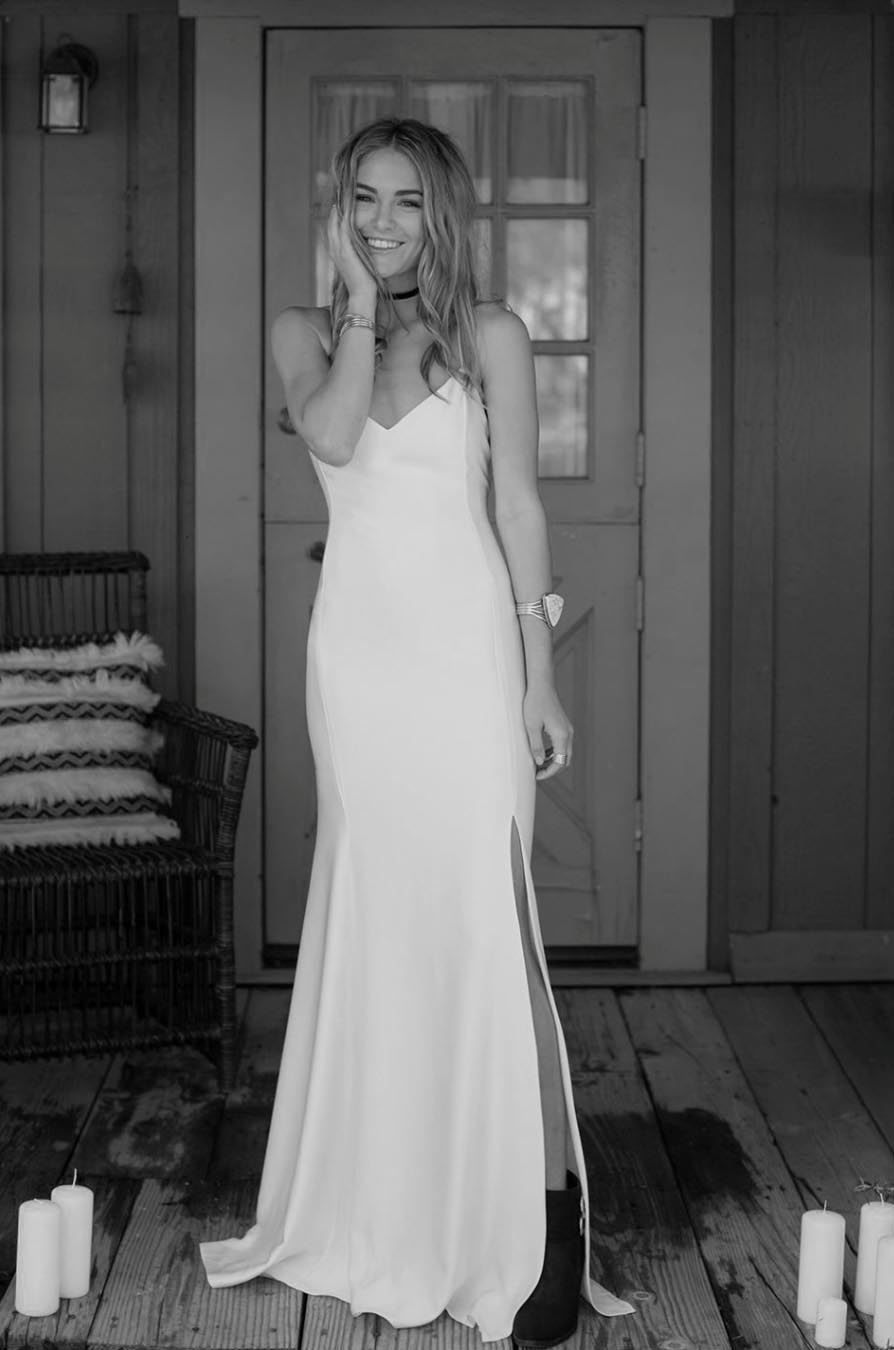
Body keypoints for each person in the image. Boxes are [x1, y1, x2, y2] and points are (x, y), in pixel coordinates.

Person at [198, 116, 634, 1348]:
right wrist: (352, 300)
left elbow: (521, 508)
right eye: (361, 199)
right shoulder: (302, 332)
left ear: (441, 214)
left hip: (468, 663)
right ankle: (390, 1201)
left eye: (405, 202)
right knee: (381, 919)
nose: (383, 222)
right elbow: (335, 435)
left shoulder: (493, 334)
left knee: (493, 927)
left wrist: (540, 678)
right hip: (361, 668)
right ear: (338, 212)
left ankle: (543, 1219)